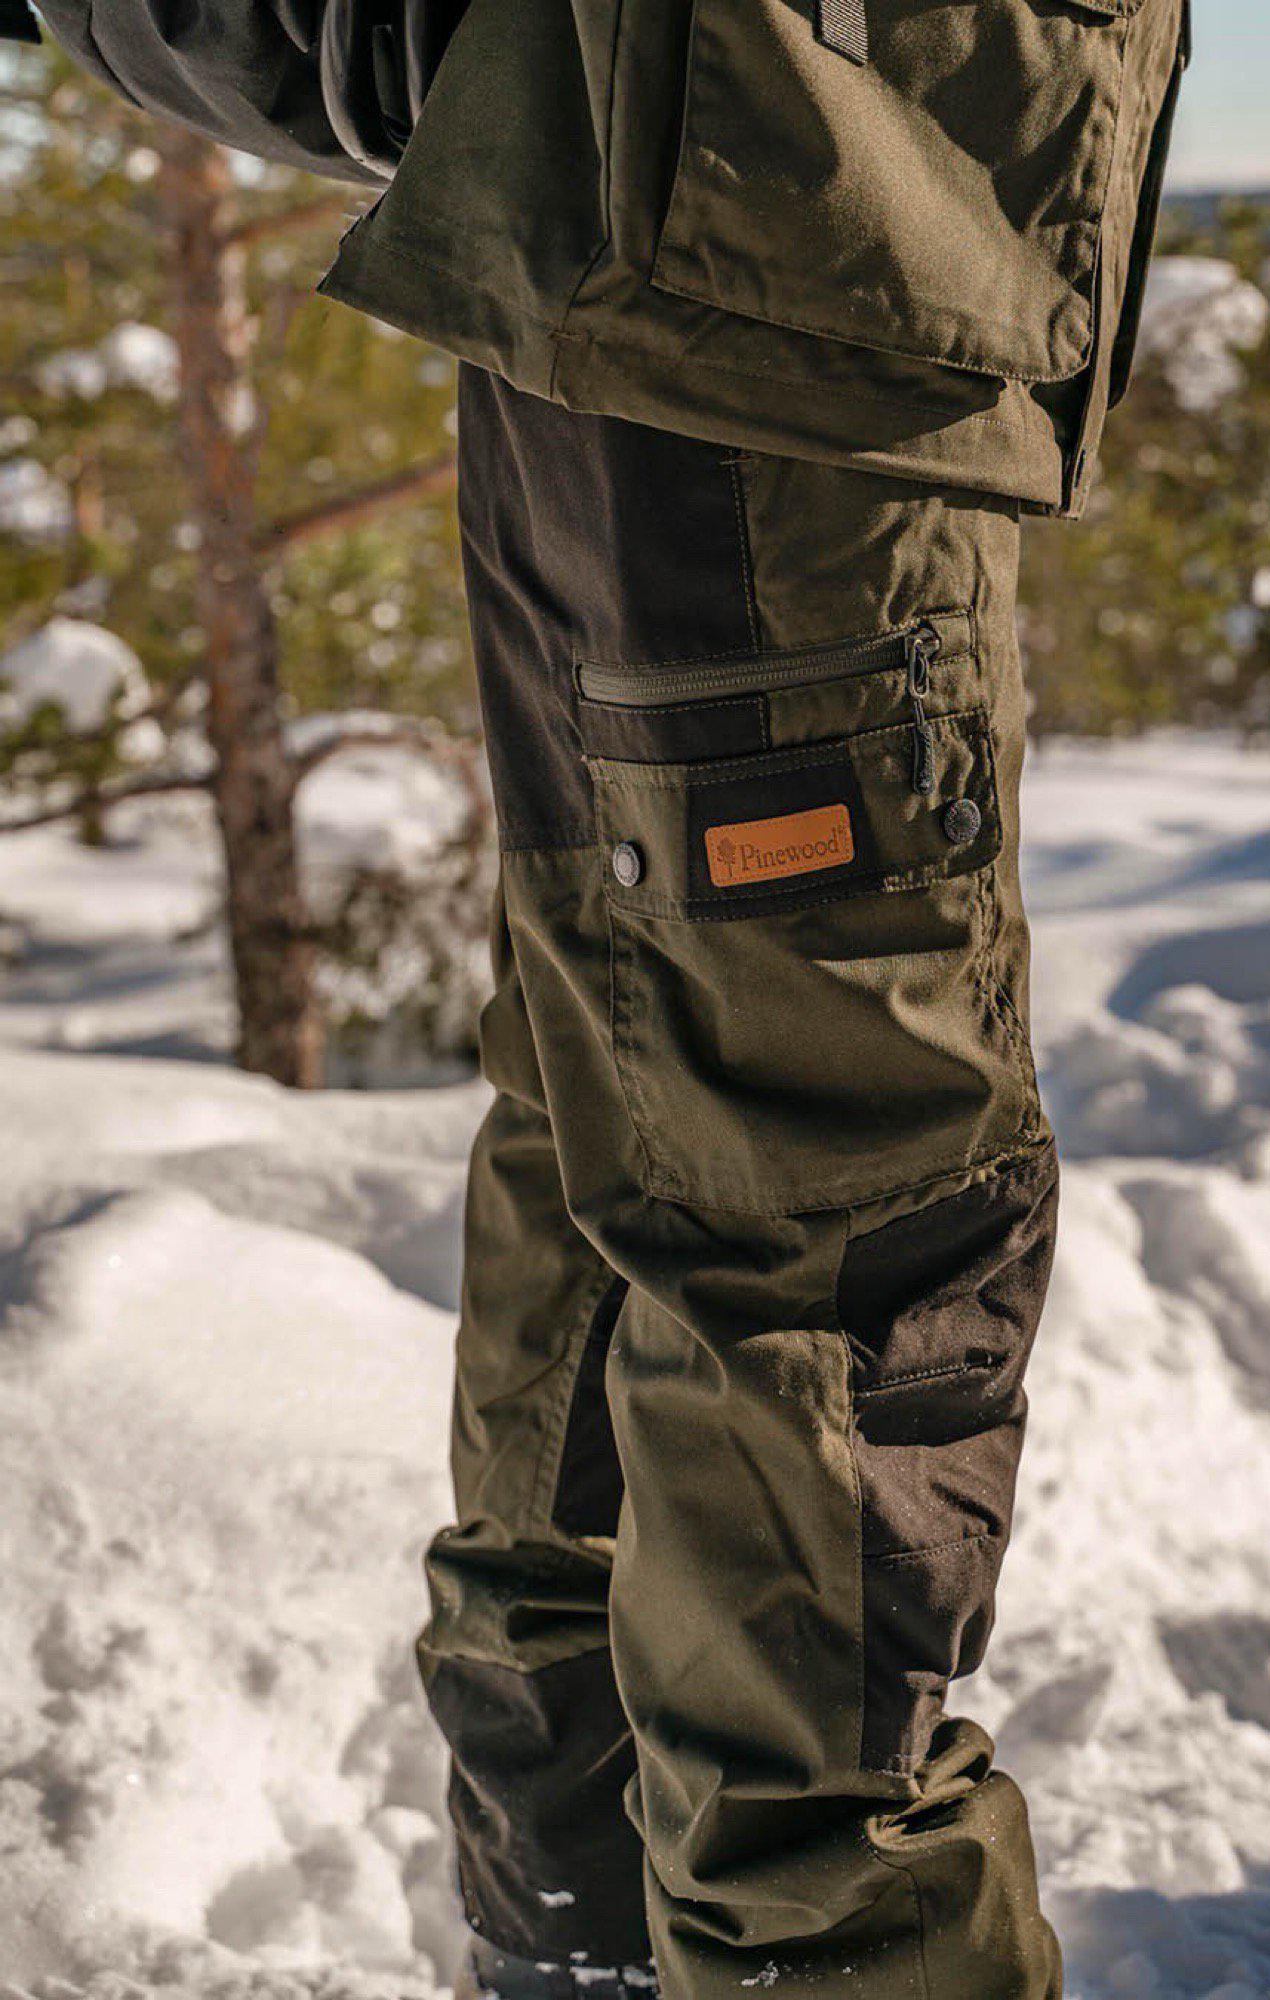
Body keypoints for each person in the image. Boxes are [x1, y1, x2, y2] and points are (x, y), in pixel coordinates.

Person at [8, 3, 1188, 1992]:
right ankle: (802, 1952)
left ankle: (584, 1925)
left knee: (618, 1113)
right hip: (791, 250)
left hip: (653, 240)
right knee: (829, 1226)